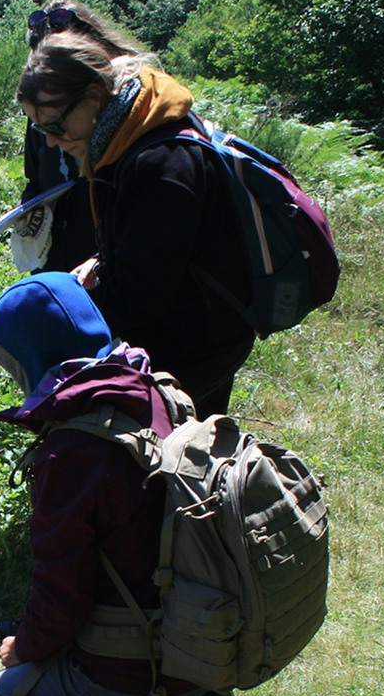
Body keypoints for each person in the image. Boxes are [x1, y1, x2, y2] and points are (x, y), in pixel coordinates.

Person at [0, 273, 227, 696]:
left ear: (32, 355)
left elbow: (64, 589)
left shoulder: (74, 450)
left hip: (138, 673)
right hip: (195, 637)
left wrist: (28, 647)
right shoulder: (155, 390)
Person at [17, 31, 255, 419]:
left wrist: (62, 316)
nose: (52, 142)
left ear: (93, 97)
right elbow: (154, 246)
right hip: (189, 325)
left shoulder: (160, 162)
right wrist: (100, 262)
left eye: (55, 125)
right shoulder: (124, 136)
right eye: (40, 130)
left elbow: (143, 294)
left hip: (197, 341)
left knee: (171, 460)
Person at [17, 0, 150, 276]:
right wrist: (28, 216)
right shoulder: (41, 119)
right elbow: (35, 179)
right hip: (55, 254)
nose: (52, 137)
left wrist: (100, 262)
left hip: (99, 259)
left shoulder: (140, 131)